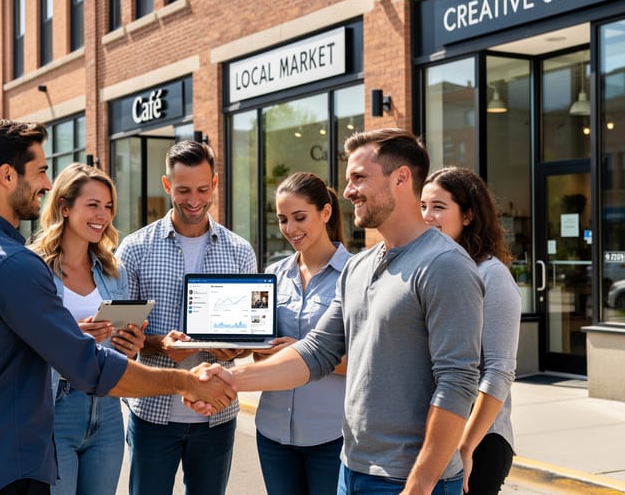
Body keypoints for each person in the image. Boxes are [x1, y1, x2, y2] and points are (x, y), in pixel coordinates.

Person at [0, 119, 235, 495]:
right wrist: (184, 381)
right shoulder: (15, 265)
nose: (47, 184)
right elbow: (89, 366)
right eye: (39, 171)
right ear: (7, 176)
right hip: (8, 467)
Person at [190, 128, 484, 495]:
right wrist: (232, 378)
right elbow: (316, 351)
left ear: (401, 178)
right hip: (352, 469)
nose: (347, 192)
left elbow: (457, 382)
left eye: (359, 178)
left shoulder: (445, 265)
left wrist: (420, 484)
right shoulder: (358, 268)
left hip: (409, 481)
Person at [115, 139, 257, 495]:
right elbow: (119, 335)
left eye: (203, 189)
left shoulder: (240, 252)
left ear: (216, 183)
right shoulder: (134, 250)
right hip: (151, 413)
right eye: (182, 190)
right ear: (166, 185)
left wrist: (234, 350)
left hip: (217, 414)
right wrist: (159, 344)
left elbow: (248, 336)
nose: (194, 200)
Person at [29, 163, 146, 495]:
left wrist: (130, 343)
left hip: (107, 407)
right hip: (55, 407)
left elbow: (121, 350)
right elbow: (21, 346)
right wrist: (71, 337)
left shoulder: (114, 271)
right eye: (93, 205)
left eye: (108, 206)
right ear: (64, 208)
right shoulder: (33, 268)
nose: (103, 215)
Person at [421, 166, 520, 495]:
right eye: (422, 206)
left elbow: (499, 371)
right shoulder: (433, 269)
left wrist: (464, 447)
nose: (427, 216)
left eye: (438, 207)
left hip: (478, 442)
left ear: (467, 216)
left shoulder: (491, 274)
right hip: (436, 434)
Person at [253, 172, 351, 495]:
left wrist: (303, 353)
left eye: (299, 217)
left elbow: (366, 362)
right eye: (282, 219)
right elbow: (259, 352)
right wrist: (260, 350)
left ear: (325, 213)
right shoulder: (273, 275)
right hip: (273, 431)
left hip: (331, 434)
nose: (290, 229)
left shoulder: (355, 275)